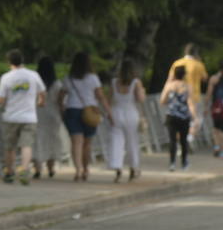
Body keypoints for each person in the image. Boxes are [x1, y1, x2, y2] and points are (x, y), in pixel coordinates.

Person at [0, 50, 46, 185]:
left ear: (9, 62)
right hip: (29, 116)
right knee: (26, 145)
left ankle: (9, 172)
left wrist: (4, 103)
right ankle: (24, 169)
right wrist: (41, 101)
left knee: (10, 146)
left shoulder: (6, 77)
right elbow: (42, 92)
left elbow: (0, 99)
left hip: (11, 117)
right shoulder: (33, 75)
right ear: (22, 60)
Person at [60, 51, 112, 182]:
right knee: (87, 143)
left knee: (76, 142)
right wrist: (109, 112)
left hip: (72, 110)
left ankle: (78, 169)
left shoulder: (68, 78)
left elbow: (60, 97)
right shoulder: (93, 78)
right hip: (90, 111)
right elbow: (101, 96)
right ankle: (86, 168)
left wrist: (62, 110)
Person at [105, 59, 145, 181]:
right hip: (131, 113)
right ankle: (133, 167)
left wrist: (109, 113)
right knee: (131, 141)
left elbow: (109, 99)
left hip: (116, 113)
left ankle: (117, 167)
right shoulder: (135, 82)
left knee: (116, 141)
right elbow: (140, 99)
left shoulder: (114, 83)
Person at [168, 43, 208, 143]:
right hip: (194, 96)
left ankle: (180, 142)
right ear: (196, 53)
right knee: (196, 119)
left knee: (178, 121)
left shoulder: (177, 63)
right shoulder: (198, 64)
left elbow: (170, 79)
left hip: (178, 96)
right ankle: (188, 138)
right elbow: (204, 78)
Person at [160, 65, 195, 171]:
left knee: (172, 140)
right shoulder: (188, 87)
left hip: (171, 115)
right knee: (183, 140)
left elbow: (162, 101)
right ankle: (184, 163)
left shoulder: (169, 86)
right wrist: (194, 116)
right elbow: (190, 103)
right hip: (184, 117)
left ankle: (172, 163)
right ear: (184, 75)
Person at [33, 57, 64, 179]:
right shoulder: (57, 84)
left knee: (37, 140)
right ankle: (51, 168)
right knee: (52, 140)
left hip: (38, 113)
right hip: (53, 114)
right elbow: (60, 101)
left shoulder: (36, 83)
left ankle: (37, 169)